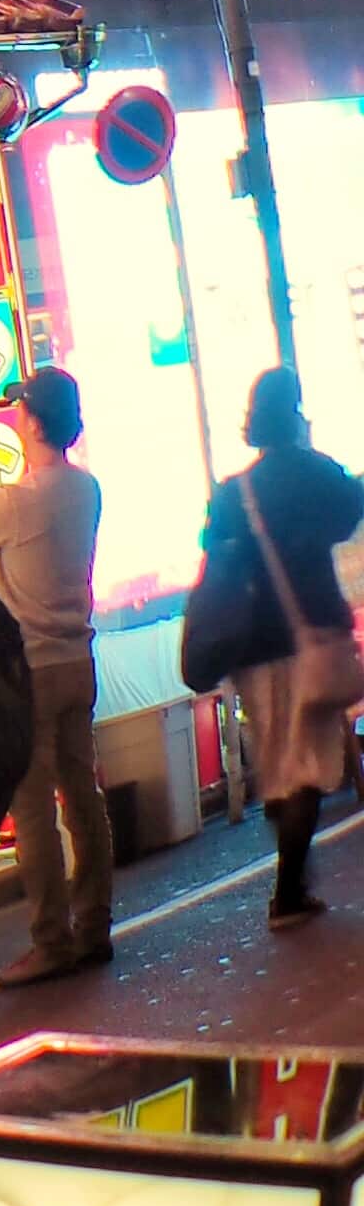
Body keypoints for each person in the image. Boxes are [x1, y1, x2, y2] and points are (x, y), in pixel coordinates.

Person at [0, 367, 108, 981]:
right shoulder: (82, 488)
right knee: (83, 795)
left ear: (33, 421)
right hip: (76, 663)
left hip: (27, 673)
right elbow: (23, 524)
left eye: (19, 410)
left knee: (33, 807)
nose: (13, 417)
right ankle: (94, 927)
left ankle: (50, 941)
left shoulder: (18, 502)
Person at [201, 368, 364, 925]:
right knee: (311, 761)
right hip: (310, 637)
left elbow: (211, 547)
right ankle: (288, 889)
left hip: (252, 647)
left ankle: (288, 881)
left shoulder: (235, 491)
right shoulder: (314, 472)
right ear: (295, 411)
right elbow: (350, 512)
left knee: (274, 757)